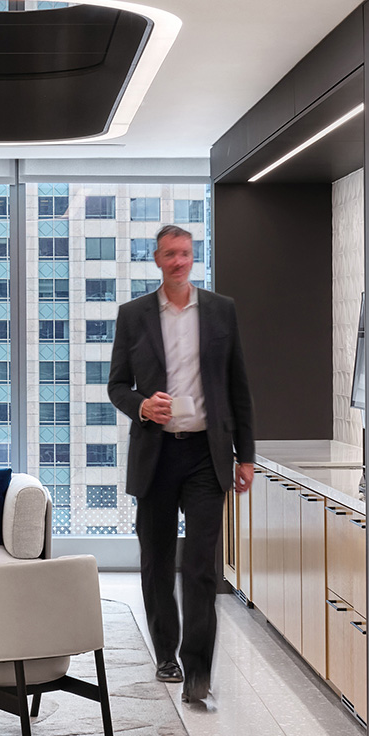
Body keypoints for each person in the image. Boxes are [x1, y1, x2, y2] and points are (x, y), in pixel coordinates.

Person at [108, 224, 255, 705]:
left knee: (199, 567)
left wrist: (247, 456)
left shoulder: (220, 311)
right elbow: (116, 386)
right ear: (156, 260)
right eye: (169, 254)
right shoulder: (133, 316)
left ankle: (198, 670)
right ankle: (166, 653)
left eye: (185, 254)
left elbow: (238, 387)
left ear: (195, 258)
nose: (178, 262)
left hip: (205, 454)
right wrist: (143, 406)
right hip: (156, 453)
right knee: (156, 562)